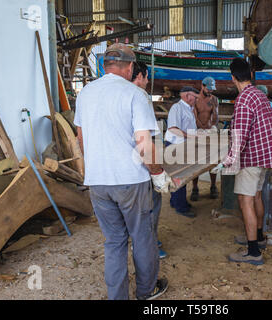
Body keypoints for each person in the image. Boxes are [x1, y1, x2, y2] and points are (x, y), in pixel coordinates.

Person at [74, 43, 170, 300]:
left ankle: (118, 297)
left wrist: (97, 164)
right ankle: (146, 292)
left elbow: (81, 138)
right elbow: (144, 144)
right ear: (129, 67)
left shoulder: (85, 93)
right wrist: (158, 173)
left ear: (106, 66)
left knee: (114, 242)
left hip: (97, 182)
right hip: (130, 181)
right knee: (142, 238)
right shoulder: (135, 95)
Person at [212, 58, 272, 266]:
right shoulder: (259, 94)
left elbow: (240, 136)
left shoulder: (243, 99)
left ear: (232, 77)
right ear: (250, 75)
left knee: (245, 201)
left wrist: (228, 161)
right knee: (256, 196)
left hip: (251, 159)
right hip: (266, 157)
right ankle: (258, 238)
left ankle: (253, 252)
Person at [131, 61, 167, 260]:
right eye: (146, 77)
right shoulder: (140, 96)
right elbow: (146, 140)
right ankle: (149, 245)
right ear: (139, 76)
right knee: (151, 205)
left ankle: (148, 239)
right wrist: (157, 170)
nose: (147, 81)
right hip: (140, 164)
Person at [165, 86, 200, 218]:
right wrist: (191, 136)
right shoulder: (177, 108)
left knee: (178, 175)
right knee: (180, 176)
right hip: (175, 145)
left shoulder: (189, 109)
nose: (196, 100)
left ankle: (176, 201)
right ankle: (181, 207)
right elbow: (173, 129)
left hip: (182, 145)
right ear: (186, 96)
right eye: (195, 97)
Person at [191, 76, 220, 201]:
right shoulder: (195, 100)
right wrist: (200, 127)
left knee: (212, 161)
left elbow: (215, 116)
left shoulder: (214, 100)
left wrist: (210, 127)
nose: (210, 91)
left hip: (209, 132)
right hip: (197, 132)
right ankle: (195, 187)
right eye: (208, 89)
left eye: (212, 90)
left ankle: (213, 186)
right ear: (202, 86)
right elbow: (193, 116)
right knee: (195, 162)